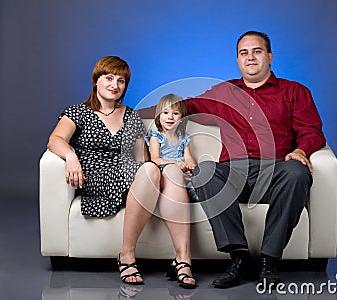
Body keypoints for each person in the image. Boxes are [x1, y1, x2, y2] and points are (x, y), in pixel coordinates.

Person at [139, 30, 326, 289]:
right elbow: (186, 106)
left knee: (297, 173)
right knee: (205, 171)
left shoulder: (294, 92)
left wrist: (301, 151)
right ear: (237, 60)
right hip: (232, 172)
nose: (250, 57)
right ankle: (238, 258)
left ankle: (269, 262)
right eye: (243, 53)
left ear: (270, 57)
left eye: (257, 51)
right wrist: (129, 113)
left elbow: (312, 131)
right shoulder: (224, 92)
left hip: (275, 170)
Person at [46, 56, 196, 289]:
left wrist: (170, 169)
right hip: (97, 176)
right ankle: (126, 255)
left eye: (121, 80)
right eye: (109, 78)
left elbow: (141, 159)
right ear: (96, 81)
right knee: (150, 171)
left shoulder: (130, 115)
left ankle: (183, 260)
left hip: (131, 174)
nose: (115, 85)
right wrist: (71, 156)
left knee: (162, 172)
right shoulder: (78, 112)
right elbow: (55, 140)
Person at [145, 93, 199, 202]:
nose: (170, 117)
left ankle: (194, 193)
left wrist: (191, 164)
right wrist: (175, 164)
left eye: (175, 113)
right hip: (165, 170)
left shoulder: (183, 137)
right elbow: (155, 159)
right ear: (159, 116)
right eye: (165, 113)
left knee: (198, 178)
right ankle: (185, 194)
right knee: (173, 177)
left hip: (184, 170)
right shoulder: (156, 137)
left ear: (182, 118)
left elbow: (188, 156)